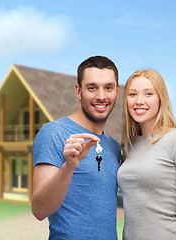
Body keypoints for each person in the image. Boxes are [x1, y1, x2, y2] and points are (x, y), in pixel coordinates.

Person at [31, 56, 121, 240]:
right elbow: (39, 210)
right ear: (79, 91)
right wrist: (69, 166)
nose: (101, 96)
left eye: (108, 87)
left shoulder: (113, 146)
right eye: (92, 87)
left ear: (117, 92)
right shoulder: (53, 133)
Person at [117, 69, 176, 240]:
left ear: (161, 98)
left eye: (148, 93)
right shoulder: (130, 146)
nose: (139, 101)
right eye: (132, 94)